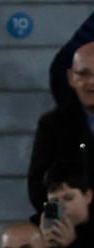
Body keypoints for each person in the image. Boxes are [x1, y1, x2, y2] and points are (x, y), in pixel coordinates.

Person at [29, 44, 94, 211]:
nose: (91, 82)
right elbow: (37, 189)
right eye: (83, 74)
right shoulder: (52, 125)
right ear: (71, 77)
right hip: (70, 225)